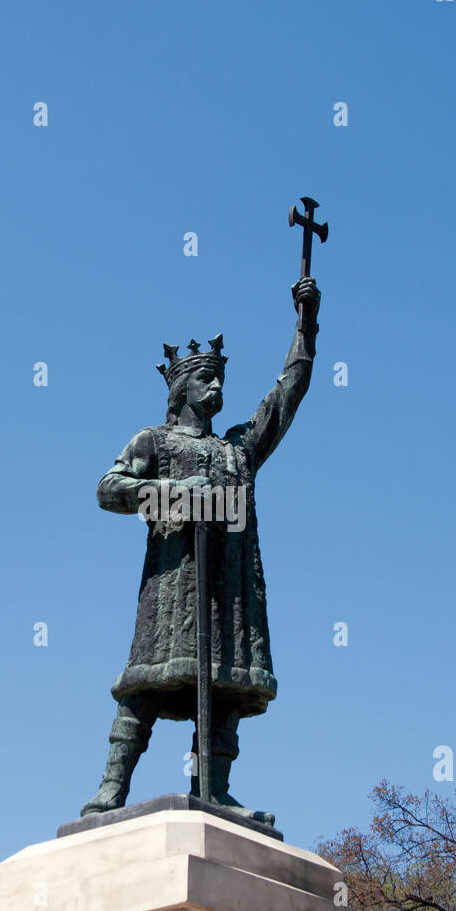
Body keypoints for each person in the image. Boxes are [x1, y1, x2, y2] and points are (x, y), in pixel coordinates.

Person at [81, 275, 321, 824]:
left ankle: (213, 787)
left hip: (228, 591)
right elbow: (107, 489)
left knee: (226, 691)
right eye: (207, 380)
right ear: (182, 389)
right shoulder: (156, 442)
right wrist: (171, 494)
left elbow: (289, 391)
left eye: (220, 381)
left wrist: (305, 325)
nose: (216, 389)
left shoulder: (238, 448)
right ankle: (110, 791)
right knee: (145, 683)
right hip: (172, 587)